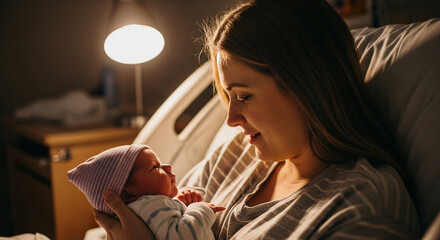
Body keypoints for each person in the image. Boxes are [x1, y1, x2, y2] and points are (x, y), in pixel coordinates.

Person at [94, 0, 420, 239]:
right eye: (227, 96)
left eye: (244, 96)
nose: (232, 119)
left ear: (307, 85)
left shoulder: (363, 208)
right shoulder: (235, 156)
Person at [67, 144, 224, 240]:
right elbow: (182, 237)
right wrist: (199, 210)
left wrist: (179, 205)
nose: (168, 166)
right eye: (155, 167)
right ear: (129, 195)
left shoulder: (145, 209)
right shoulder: (152, 205)